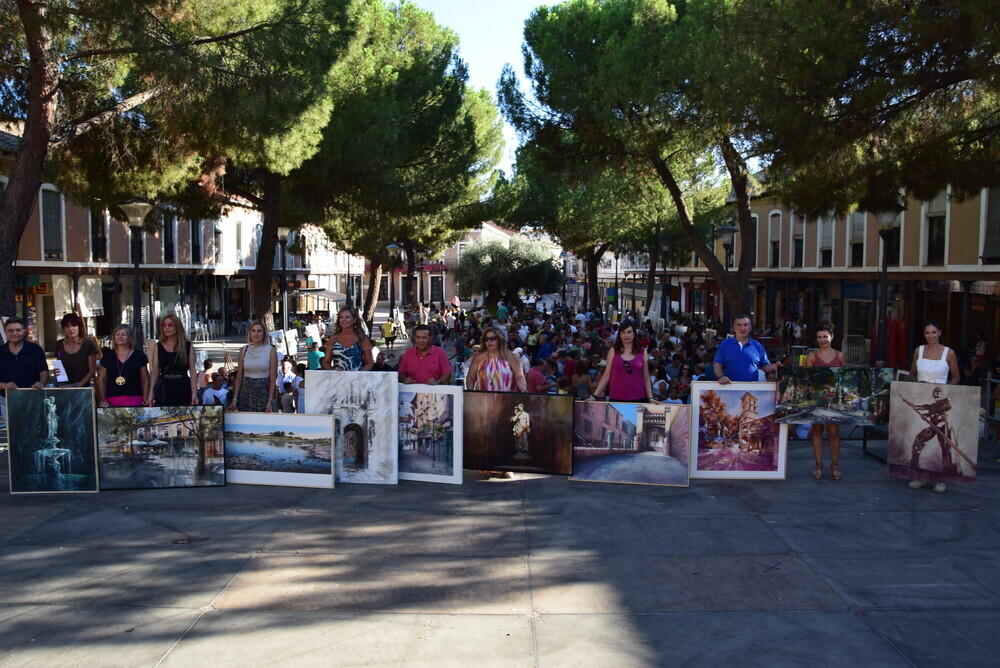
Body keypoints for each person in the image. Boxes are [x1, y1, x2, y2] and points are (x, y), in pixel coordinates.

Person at [907, 319, 960, 493]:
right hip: (924, 399)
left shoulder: (948, 353)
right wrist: (918, 387)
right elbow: (912, 374)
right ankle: (919, 476)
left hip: (941, 412)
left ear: (940, 333)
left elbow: (956, 377)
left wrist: (946, 391)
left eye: (933, 332)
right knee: (918, 441)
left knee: (942, 447)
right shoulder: (919, 351)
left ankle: (941, 479)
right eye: (927, 333)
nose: (930, 336)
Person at [802, 322, 846, 480]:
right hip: (816, 400)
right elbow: (806, 379)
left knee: (834, 433)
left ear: (832, 337)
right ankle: (818, 464)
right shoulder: (812, 356)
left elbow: (844, 381)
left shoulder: (840, 356)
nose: (822, 340)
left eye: (825, 337)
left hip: (834, 401)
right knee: (817, 431)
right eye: (819, 337)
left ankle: (835, 465)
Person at [588, 321, 656, 403]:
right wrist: (594, 396)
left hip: (638, 398)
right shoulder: (613, 351)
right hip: (616, 398)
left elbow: (646, 377)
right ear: (619, 335)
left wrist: (650, 398)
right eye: (623, 332)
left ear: (634, 334)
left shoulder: (642, 352)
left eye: (629, 332)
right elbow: (606, 375)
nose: (626, 335)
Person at [713, 314, 781, 384]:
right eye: (739, 325)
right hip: (730, 389)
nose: (742, 328)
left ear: (750, 328)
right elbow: (717, 364)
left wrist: (774, 366)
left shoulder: (757, 346)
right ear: (734, 328)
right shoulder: (725, 345)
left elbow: (765, 366)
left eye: (745, 325)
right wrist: (721, 376)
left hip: (751, 391)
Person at [227, 320, 278, 413]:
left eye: (259, 331)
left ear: (264, 333)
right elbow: (239, 377)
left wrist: (270, 400)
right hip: (246, 390)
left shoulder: (271, 350)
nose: (256, 334)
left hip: (264, 390)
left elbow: (273, 378)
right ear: (249, 333)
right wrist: (234, 400)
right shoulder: (243, 350)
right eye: (253, 330)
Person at [148, 314, 197, 406]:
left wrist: (194, 392)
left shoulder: (187, 346)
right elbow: (154, 372)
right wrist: (151, 393)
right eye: (164, 325)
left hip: (183, 386)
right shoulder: (158, 346)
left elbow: (193, 371)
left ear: (177, 326)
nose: (166, 327)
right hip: (164, 387)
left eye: (170, 325)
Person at [97, 324, 148, 407]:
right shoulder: (108, 355)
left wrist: (146, 399)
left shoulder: (139, 356)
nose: (120, 337)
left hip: (135, 400)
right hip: (111, 401)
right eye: (117, 334)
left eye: (124, 335)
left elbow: (145, 379)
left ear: (130, 337)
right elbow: (102, 379)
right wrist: (102, 399)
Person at [466, 327, 527, 392]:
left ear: (499, 339)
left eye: (492, 339)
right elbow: (471, 377)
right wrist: (470, 391)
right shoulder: (478, 358)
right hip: (483, 400)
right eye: (486, 339)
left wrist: (524, 391)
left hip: (506, 400)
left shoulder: (511, 357)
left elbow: (519, 377)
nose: (489, 341)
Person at [0, 317, 49, 391]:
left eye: (18, 330)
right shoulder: (1, 351)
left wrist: (41, 383)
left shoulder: (35, 349)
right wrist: (3, 385)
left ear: (24, 332)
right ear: (5, 332)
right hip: (4, 398)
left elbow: (44, 372)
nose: (14, 333)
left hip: (31, 396)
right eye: (10, 330)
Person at [322, 307, 374, 371]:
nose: (344, 319)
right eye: (341, 317)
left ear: (354, 319)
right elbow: (325, 363)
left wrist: (359, 373)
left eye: (347, 317)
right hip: (338, 379)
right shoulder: (333, 339)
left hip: (358, 379)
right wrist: (334, 369)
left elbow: (369, 363)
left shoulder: (362, 338)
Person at [54, 313, 97, 387]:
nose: (71, 329)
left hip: (83, 387)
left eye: (74, 325)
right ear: (63, 329)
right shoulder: (59, 344)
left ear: (79, 327)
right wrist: (56, 371)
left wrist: (76, 387)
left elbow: (92, 371)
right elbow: (59, 362)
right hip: (63, 386)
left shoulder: (88, 344)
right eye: (67, 326)